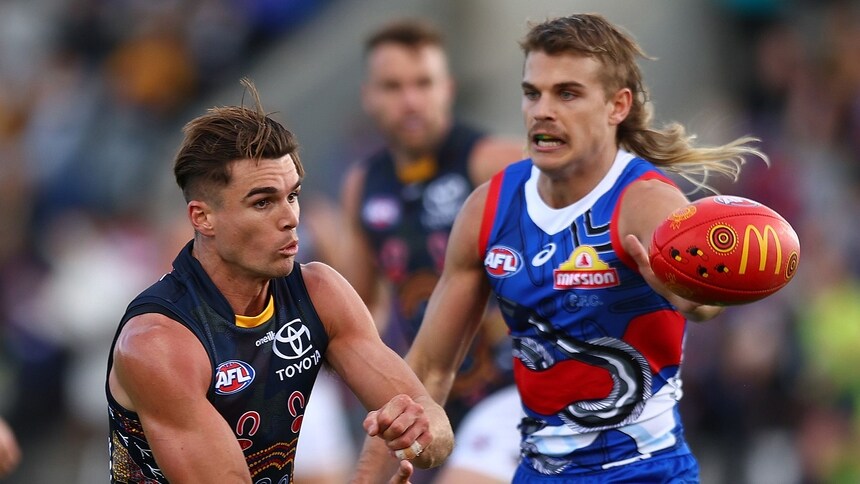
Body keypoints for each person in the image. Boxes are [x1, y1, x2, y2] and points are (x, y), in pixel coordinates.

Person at [354, 13, 768, 483]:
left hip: (645, 471)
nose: (542, 110)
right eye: (533, 93)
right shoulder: (488, 208)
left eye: (567, 93)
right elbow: (426, 371)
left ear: (617, 106)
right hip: (540, 470)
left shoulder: (646, 202)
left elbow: (702, 304)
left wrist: (689, 294)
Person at [105, 78, 453, 484]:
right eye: (263, 202)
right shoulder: (158, 342)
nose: (290, 218)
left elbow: (436, 431)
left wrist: (419, 431)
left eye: (293, 195)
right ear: (203, 218)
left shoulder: (320, 293)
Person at [341, 18, 526, 483]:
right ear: (368, 96)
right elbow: (362, 308)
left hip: (515, 392)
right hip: (432, 400)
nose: (410, 100)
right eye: (393, 86)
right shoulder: (362, 185)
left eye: (423, 83)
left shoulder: (493, 163)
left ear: (448, 88)